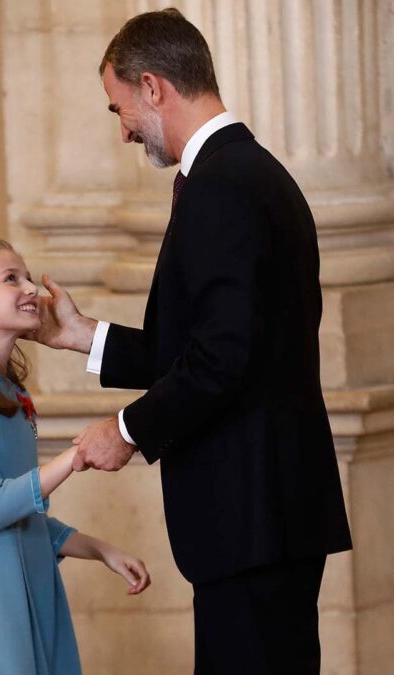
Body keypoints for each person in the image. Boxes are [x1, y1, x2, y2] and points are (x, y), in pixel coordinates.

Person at [33, 9, 352, 673]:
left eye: (118, 107)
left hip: (252, 518)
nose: (121, 130)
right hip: (270, 512)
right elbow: (206, 346)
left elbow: (219, 361)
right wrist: (79, 334)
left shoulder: (220, 188)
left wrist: (125, 429)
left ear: (154, 87)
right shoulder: (253, 173)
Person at [0, 237, 151, 674]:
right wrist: (75, 457)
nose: (31, 289)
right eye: (11, 278)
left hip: (24, 580)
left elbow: (25, 515)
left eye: (28, 277)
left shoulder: (13, 394)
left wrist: (100, 550)